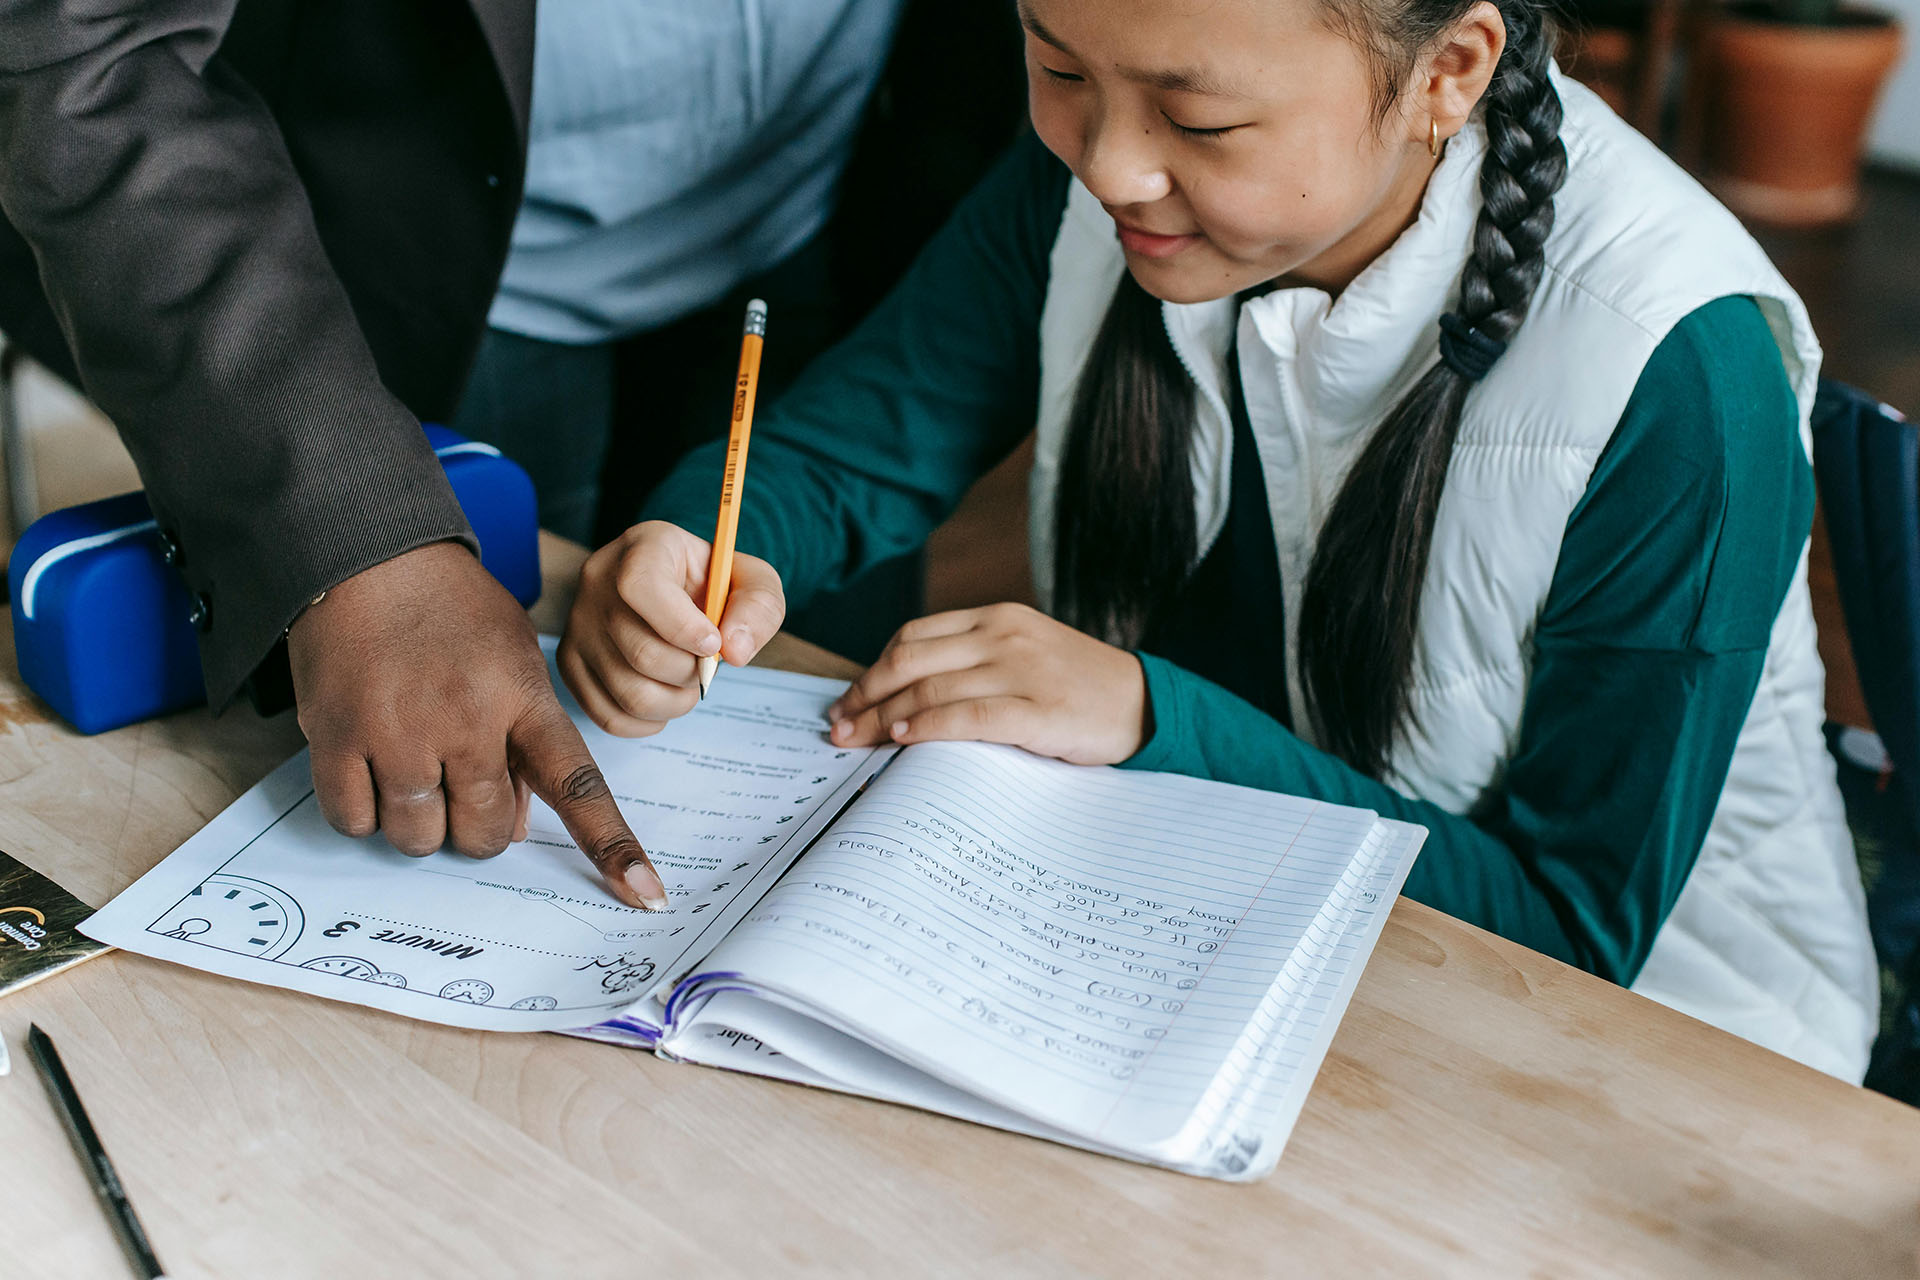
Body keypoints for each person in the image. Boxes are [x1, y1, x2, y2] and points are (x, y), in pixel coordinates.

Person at [560, 0, 1880, 1079]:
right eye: (1051, 61)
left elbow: (1571, 936)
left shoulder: (1682, 373)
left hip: (1629, 1066)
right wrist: (693, 542)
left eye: (1200, 119)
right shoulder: (1108, 165)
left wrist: (1149, 721)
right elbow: (847, 450)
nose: (1109, 161)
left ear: (1450, 72)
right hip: (1189, 931)